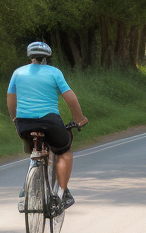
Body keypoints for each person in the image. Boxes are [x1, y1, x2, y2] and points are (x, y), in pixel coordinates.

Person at [7, 41, 88, 211]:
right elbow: (70, 98)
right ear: (47, 58)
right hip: (49, 121)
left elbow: (11, 99)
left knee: (34, 149)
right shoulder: (54, 72)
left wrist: (15, 119)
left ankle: (25, 190)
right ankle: (64, 193)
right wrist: (79, 119)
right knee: (64, 151)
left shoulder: (18, 73)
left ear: (30, 56)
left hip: (24, 123)